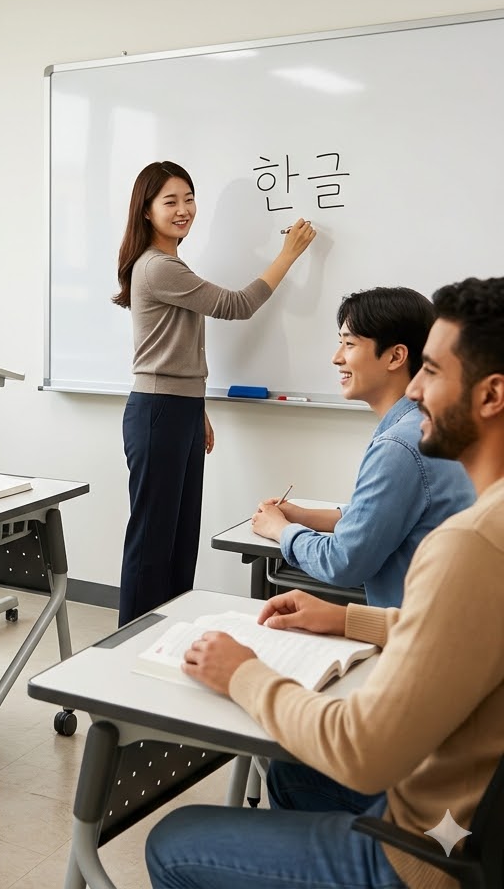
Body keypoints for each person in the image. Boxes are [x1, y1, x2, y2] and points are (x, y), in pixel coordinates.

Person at [145, 275, 504, 889]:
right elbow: (458, 626)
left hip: (423, 853)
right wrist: (345, 618)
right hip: (464, 811)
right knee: (288, 773)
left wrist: (242, 672)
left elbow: (362, 752)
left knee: (171, 841)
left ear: (491, 395)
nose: (416, 388)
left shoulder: (469, 542)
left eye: (434, 372)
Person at [113, 161, 316, 625]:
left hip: (178, 410)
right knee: (152, 539)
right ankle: (129, 643)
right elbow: (236, 305)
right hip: (157, 412)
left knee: (182, 537)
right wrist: (289, 253)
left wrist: (197, 408)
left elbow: (178, 349)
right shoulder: (157, 267)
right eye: (170, 201)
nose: (184, 209)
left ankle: (171, 633)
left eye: (189, 198)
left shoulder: (172, 264)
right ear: (146, 211)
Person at [251, 286, 474, 606]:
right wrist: (303, 516)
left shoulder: (400, 445)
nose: (336, 357)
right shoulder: (427, 424)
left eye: (349, 344)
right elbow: (378, 516)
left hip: (407, 633)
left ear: (396, 356)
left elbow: (343, 562)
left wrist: (281, 530)